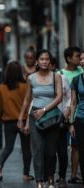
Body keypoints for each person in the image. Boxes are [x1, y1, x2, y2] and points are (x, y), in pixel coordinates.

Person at [18, 49, 62, 188]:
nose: (44, 62)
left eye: (47, 59)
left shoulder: (56, 76)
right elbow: (26, 100)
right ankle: (39, 181)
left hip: (51, 117)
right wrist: (21, 118)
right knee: (37, 150)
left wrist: (44, 110)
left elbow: (59, 97)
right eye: (42, 59)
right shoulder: (31, 78)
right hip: (35, 117)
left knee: (50, 151)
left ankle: (50, 177)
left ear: (50, 61)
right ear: (37, 61)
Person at [0, 61, 33, 182]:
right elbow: (30, 103)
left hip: (8, 121)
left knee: (8, 147)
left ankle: (0, 165)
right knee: (26, 148)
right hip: (24, 120)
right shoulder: (25, 86)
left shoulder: (2, 87)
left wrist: (2, 117)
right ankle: (26, 174)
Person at [59, 46, 83, 184]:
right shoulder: (60, 74)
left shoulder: (82, 71)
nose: (80, 59)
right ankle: (69, 174)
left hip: (77, 114)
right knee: (67, 147)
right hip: (65, 115)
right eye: (77, 56)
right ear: (68, 58)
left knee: (77, 145)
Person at [49, 58, 71, 187]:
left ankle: (62, 177)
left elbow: (69, 96)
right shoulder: (40, 80)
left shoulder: (63, 78)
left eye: (49, 63)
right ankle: (50, 177)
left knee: (62, 152)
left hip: (61, 118)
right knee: (49, 152)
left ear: (53, 66)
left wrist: (67, 111)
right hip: (47, 120)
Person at [69, 50, 84, 186]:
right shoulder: (76, 80)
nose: (83, 61)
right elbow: (73, 102)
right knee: (81, 150)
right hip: (80, 119)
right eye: (81, 59)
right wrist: (71, 122)